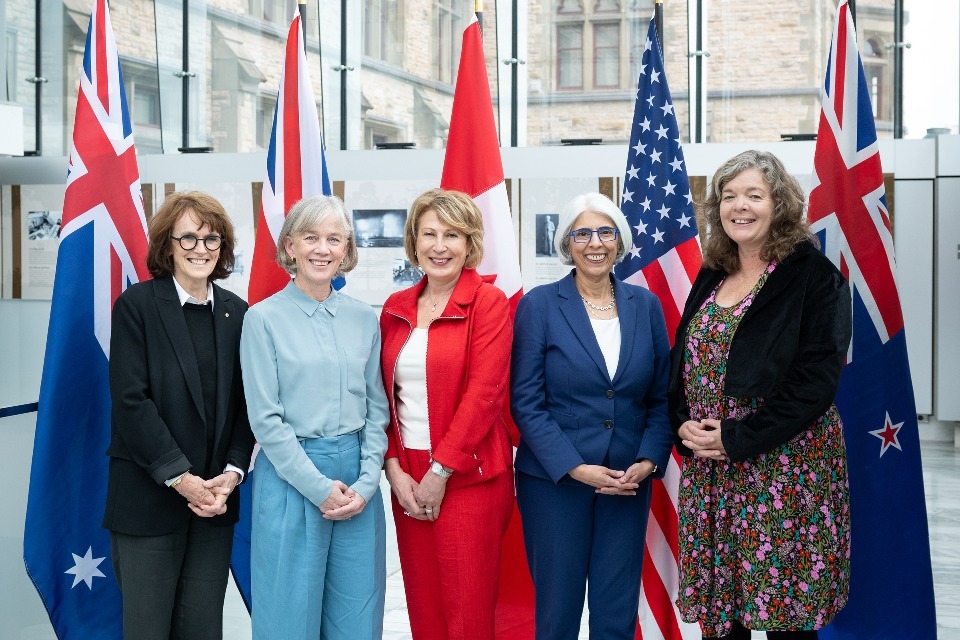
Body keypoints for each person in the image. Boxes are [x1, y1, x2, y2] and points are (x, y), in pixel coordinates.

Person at [670, 150, 852, 640]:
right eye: (729, 196)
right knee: (721, 617)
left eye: (754, 194)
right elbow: (684, 359)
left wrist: (738, 437)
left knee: (784, 615)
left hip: (783, 470)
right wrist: (681, 421)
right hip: (711, 469)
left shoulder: (814, 276)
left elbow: (815, 381)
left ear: (780, 205)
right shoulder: (713, 271)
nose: (740, 206)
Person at [511, 192, 674, 640]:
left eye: (605, 232)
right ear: (567, 244)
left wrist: (646, 461)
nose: (595, 243)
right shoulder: (539, 305)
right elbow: (526, 402)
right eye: (581, 233)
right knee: (558, 611)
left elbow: (662, 398)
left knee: (615, 610)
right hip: (555, 483)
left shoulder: (646, 307)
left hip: (627, 480)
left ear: (619, 241)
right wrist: (576, 468)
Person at [103, 191, 255, 640]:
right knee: (149, 630)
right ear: (167, 245)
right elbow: (131, 402)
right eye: (188, 238)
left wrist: (231, 474)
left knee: (203, 629)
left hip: (214, 505)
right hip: (149, 501)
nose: (200, 249)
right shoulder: (138, 306)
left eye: (211, 239)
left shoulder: (237, 312)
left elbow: (249, 404)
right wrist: (181, 478)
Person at [240, 195, 389, 639]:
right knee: (289, 620)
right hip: (291, 479)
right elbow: (265, 420)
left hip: (358, 484)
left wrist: (366, 482)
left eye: (334, 239)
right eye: (311, 237)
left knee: (357, 621)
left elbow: (377, 408)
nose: (322, 249)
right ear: (290, 246)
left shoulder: (364, 318)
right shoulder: (261, 319)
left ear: (346, 250)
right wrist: (319, 489)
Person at [379, 188, 515, 640]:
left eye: (452, 235)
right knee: (424, 607)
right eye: (429, 233)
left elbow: (486, 394)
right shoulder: (395, 308)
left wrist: (440, 470)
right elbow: (382, 396)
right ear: (414, 241)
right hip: (408, 471)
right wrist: (394, 468)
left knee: (468, 613)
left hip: (468, 473)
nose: (440, 246)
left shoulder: (488, 303)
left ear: (470, 242)